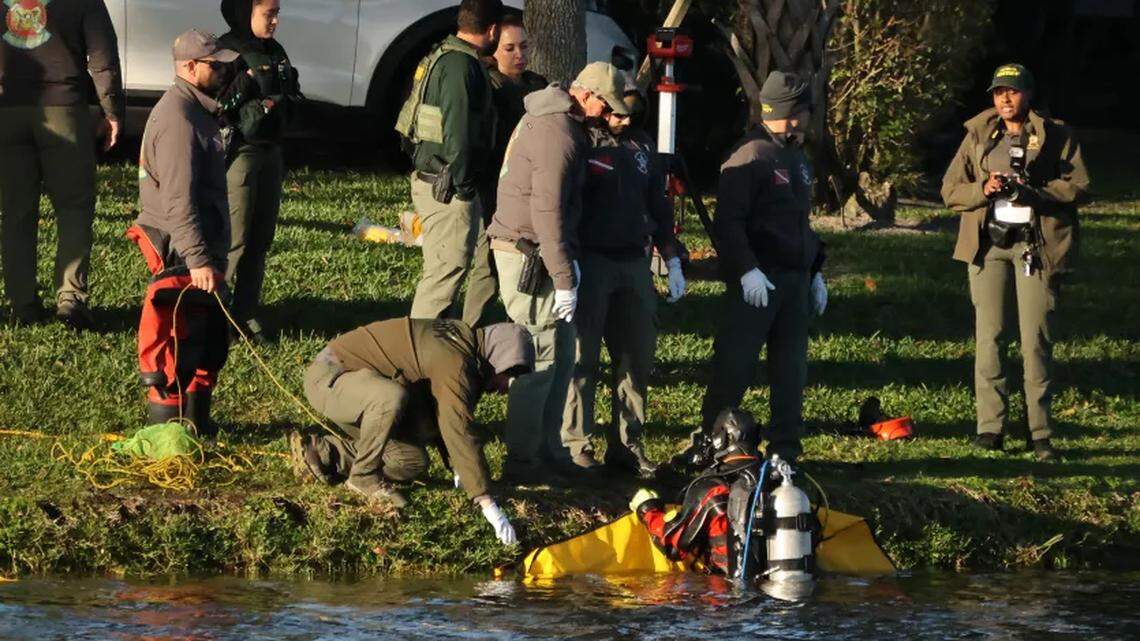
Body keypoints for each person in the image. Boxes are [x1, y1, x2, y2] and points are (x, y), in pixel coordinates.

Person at [485, 61, 630, 484]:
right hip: (530, 255)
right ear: (586, 95)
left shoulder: (560, 125)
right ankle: (523, 462)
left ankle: (550, 452)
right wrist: (564, 277)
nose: (609, 118)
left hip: (543, 253)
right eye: (607, 107)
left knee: (563, 355)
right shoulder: (557, 134)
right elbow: (546, 211)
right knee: (540, 358)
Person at [941, 64, 1089, 461]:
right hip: (988, 248)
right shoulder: (978, 136)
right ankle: (990, 429)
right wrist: (984, 188)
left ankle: (1040, 433)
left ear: (1029, 95)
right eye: (998, 92)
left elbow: (1079, 185)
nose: (1005, 99)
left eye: (1013, 91)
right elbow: (950, 190)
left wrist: (1035, 193)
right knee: (989, 340)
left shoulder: (1055, 133)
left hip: (1035, 248)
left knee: (1035, 341)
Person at [683, 71, 827, 467]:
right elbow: (728, 222)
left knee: (791, 368)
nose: (808, 118)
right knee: (735, 362)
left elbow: (800, 222)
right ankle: (712, 440)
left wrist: (815, 270)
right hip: (759, 280)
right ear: (791, 112)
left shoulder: (797, 157)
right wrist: (746, 269)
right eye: (805, 110)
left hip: (794, 281)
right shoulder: (750, 156)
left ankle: (786, 450)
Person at [293, 317, 534, 545]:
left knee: (411, 462)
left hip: (360, 388)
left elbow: (441, 413)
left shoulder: (464, 351)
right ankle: (363, 477)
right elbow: (456, 424)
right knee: (389, 397)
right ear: (499, 357)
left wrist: (458, 467)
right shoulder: (454, 358)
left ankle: (323, 452)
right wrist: (485, 500)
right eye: (511, 374)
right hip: (331, 376)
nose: (507, 388)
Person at [561, 89, 685, 477]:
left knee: (636, 356)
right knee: (583, 358)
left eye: (630, 114)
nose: (624, 121)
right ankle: (576, 445)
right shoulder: (581, 142)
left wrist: (670, 252)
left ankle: (627, 444)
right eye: (617, 114)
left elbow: (658, 204)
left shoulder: (641, 146)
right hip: (592, 259)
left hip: (634, 260)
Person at [127, 30, 238, 432]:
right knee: (176, 344)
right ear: (190, 67)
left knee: (204, 337)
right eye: (216, 65)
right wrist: (199, 260)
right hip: (182, 251)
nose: (224, 71)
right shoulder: (177, 120)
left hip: (195, 249)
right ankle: (169, 435)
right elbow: (178, 201)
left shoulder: (195, 110)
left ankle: (197, 426)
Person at [0, 0, 124, 329]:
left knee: (16, 211)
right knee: (74, 207)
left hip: (9, 107)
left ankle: (20, 302)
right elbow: (103, 57)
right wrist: (111, 110)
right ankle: (71, 299)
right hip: (64, 108)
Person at [400, 0, 503, 321]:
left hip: (433, 179)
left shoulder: (442, 55)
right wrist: (464, 187)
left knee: (441, 274)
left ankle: (431, 350)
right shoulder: (462, 66)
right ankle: (418, 354)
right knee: (444, 278)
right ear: (493, 30)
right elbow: (458, 130)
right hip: (447, 188)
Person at [217, 0, 302, 342]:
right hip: (242, 154)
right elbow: (218, 104)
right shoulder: (228, 51)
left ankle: (245, 313)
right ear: (244, 12)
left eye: (277, 13)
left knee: (260, 239)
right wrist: (246, 85)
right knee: (235, 240)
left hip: (272, 152)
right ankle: (215, 315)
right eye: (269, 14)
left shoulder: (275, 51)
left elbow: (291, 92)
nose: (275, 21)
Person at [461, 13, 548, 329]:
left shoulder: (537, 86)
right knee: (488, 264)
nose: (520, 55)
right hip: (494, 189)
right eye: (510, 48)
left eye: (524, 47)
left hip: (533, 190)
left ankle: (525, 326)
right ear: (493, 49)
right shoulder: (487, 86)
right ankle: (469, 332)